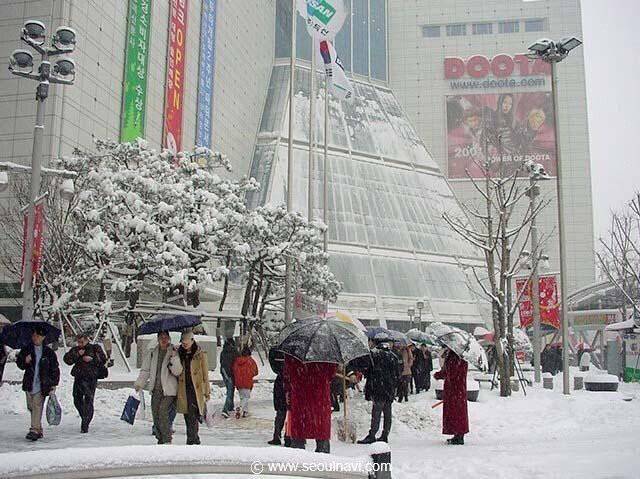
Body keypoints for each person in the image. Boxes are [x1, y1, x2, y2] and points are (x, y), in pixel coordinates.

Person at [134, 331, 181, 444]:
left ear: (169, 338)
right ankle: (160, 438)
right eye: (161, 338)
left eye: (165, 337)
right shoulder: (153, 352)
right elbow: (145, 370)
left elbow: (178, 371)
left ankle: (167, 438)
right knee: (155, 414)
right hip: (156, 389)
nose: (163, 340)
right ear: (158, 339)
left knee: (163, 412)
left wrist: (174, 358)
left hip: (170, 390)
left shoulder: (174, 352)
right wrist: (140, 383)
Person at [284, 355, 337, 453]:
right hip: (320, 395)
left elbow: (288, 372)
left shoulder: (294, 350)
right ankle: (323, 457)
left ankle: (297, 458)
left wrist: (288, 389)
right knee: (321, 431)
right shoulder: (327, 352)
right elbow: (331, 374)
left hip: (300, 394)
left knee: (299, 431)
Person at [16, 326, 60, 441]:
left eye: (38, 336)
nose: (35, 338)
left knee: (37, 405)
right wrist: (25, 361)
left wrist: (53, 384)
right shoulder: (27, 349)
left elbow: (55, 369)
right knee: (31, 407)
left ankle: (34, 429)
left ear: (43, 337)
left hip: (42, 384)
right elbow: (20, 364)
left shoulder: (48, 352)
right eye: (34, 335)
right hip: (29, 383)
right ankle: (39, 428)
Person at [63, 332, 107, 433]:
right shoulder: (76, 350)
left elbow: (103, 359)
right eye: (78, 342)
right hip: (79, 376)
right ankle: (84, 416)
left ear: (87, 340)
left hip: (91, 377)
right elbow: (67, 360)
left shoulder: (95, 348)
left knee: (88, 399)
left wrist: (92, 359)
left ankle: (85, 423)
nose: (80, 344)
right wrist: (78, 354)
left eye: (82, 342)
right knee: (76, 398)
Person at [358, 341, 399, 444]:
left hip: (377, 388)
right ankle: (385, 435)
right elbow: (397, 374)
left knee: (376, 413)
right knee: (387, 413)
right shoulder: (393, 357)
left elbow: (367, 370)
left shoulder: (374, 355)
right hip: (389, 389)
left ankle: (372, 435)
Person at [176, 331, 210, 445]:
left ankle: (193, 440)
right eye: (182, 342)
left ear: (192, 340)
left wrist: (207, 391)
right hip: (183, 389)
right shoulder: (179, 353)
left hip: (196, 389)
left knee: (193, 414)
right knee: (188, 415)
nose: (184, 344)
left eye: (186, 342)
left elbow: (205, 374)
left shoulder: (199, 354)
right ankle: (193, 439)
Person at [434, 347, 469, 445]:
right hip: (458, 390)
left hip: (454, 390)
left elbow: (450, 372)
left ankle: (458, 435)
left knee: (455, 413)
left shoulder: (454, 357)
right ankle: (458, 434)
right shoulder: (462, 357)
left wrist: (439, 375)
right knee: (459, 413)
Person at [267, 348, 289, 446]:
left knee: (281, 414)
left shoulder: (275, 352)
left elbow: (273, 365)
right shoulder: (293, 353)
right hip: (291, 386)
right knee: (290, 414)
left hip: (281, 387)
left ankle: (277, 436)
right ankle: (289, 436)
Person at [232, 346, 258, 418]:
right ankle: (240, 408)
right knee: (246, 397)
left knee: (242, 397)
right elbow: (256, 372)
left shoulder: (237, 361)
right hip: (247, 382)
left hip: (239, 382)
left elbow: (234, 370)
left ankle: (245, 412)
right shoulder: (251, 361)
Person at [219, 337, 238, 418]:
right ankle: (225, 409)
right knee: (230, 391)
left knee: (230, 389)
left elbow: (221, 362)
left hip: (224, 372)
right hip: (231, 373)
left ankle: (230, 406)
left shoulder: (223, 352)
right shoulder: (234, 352)